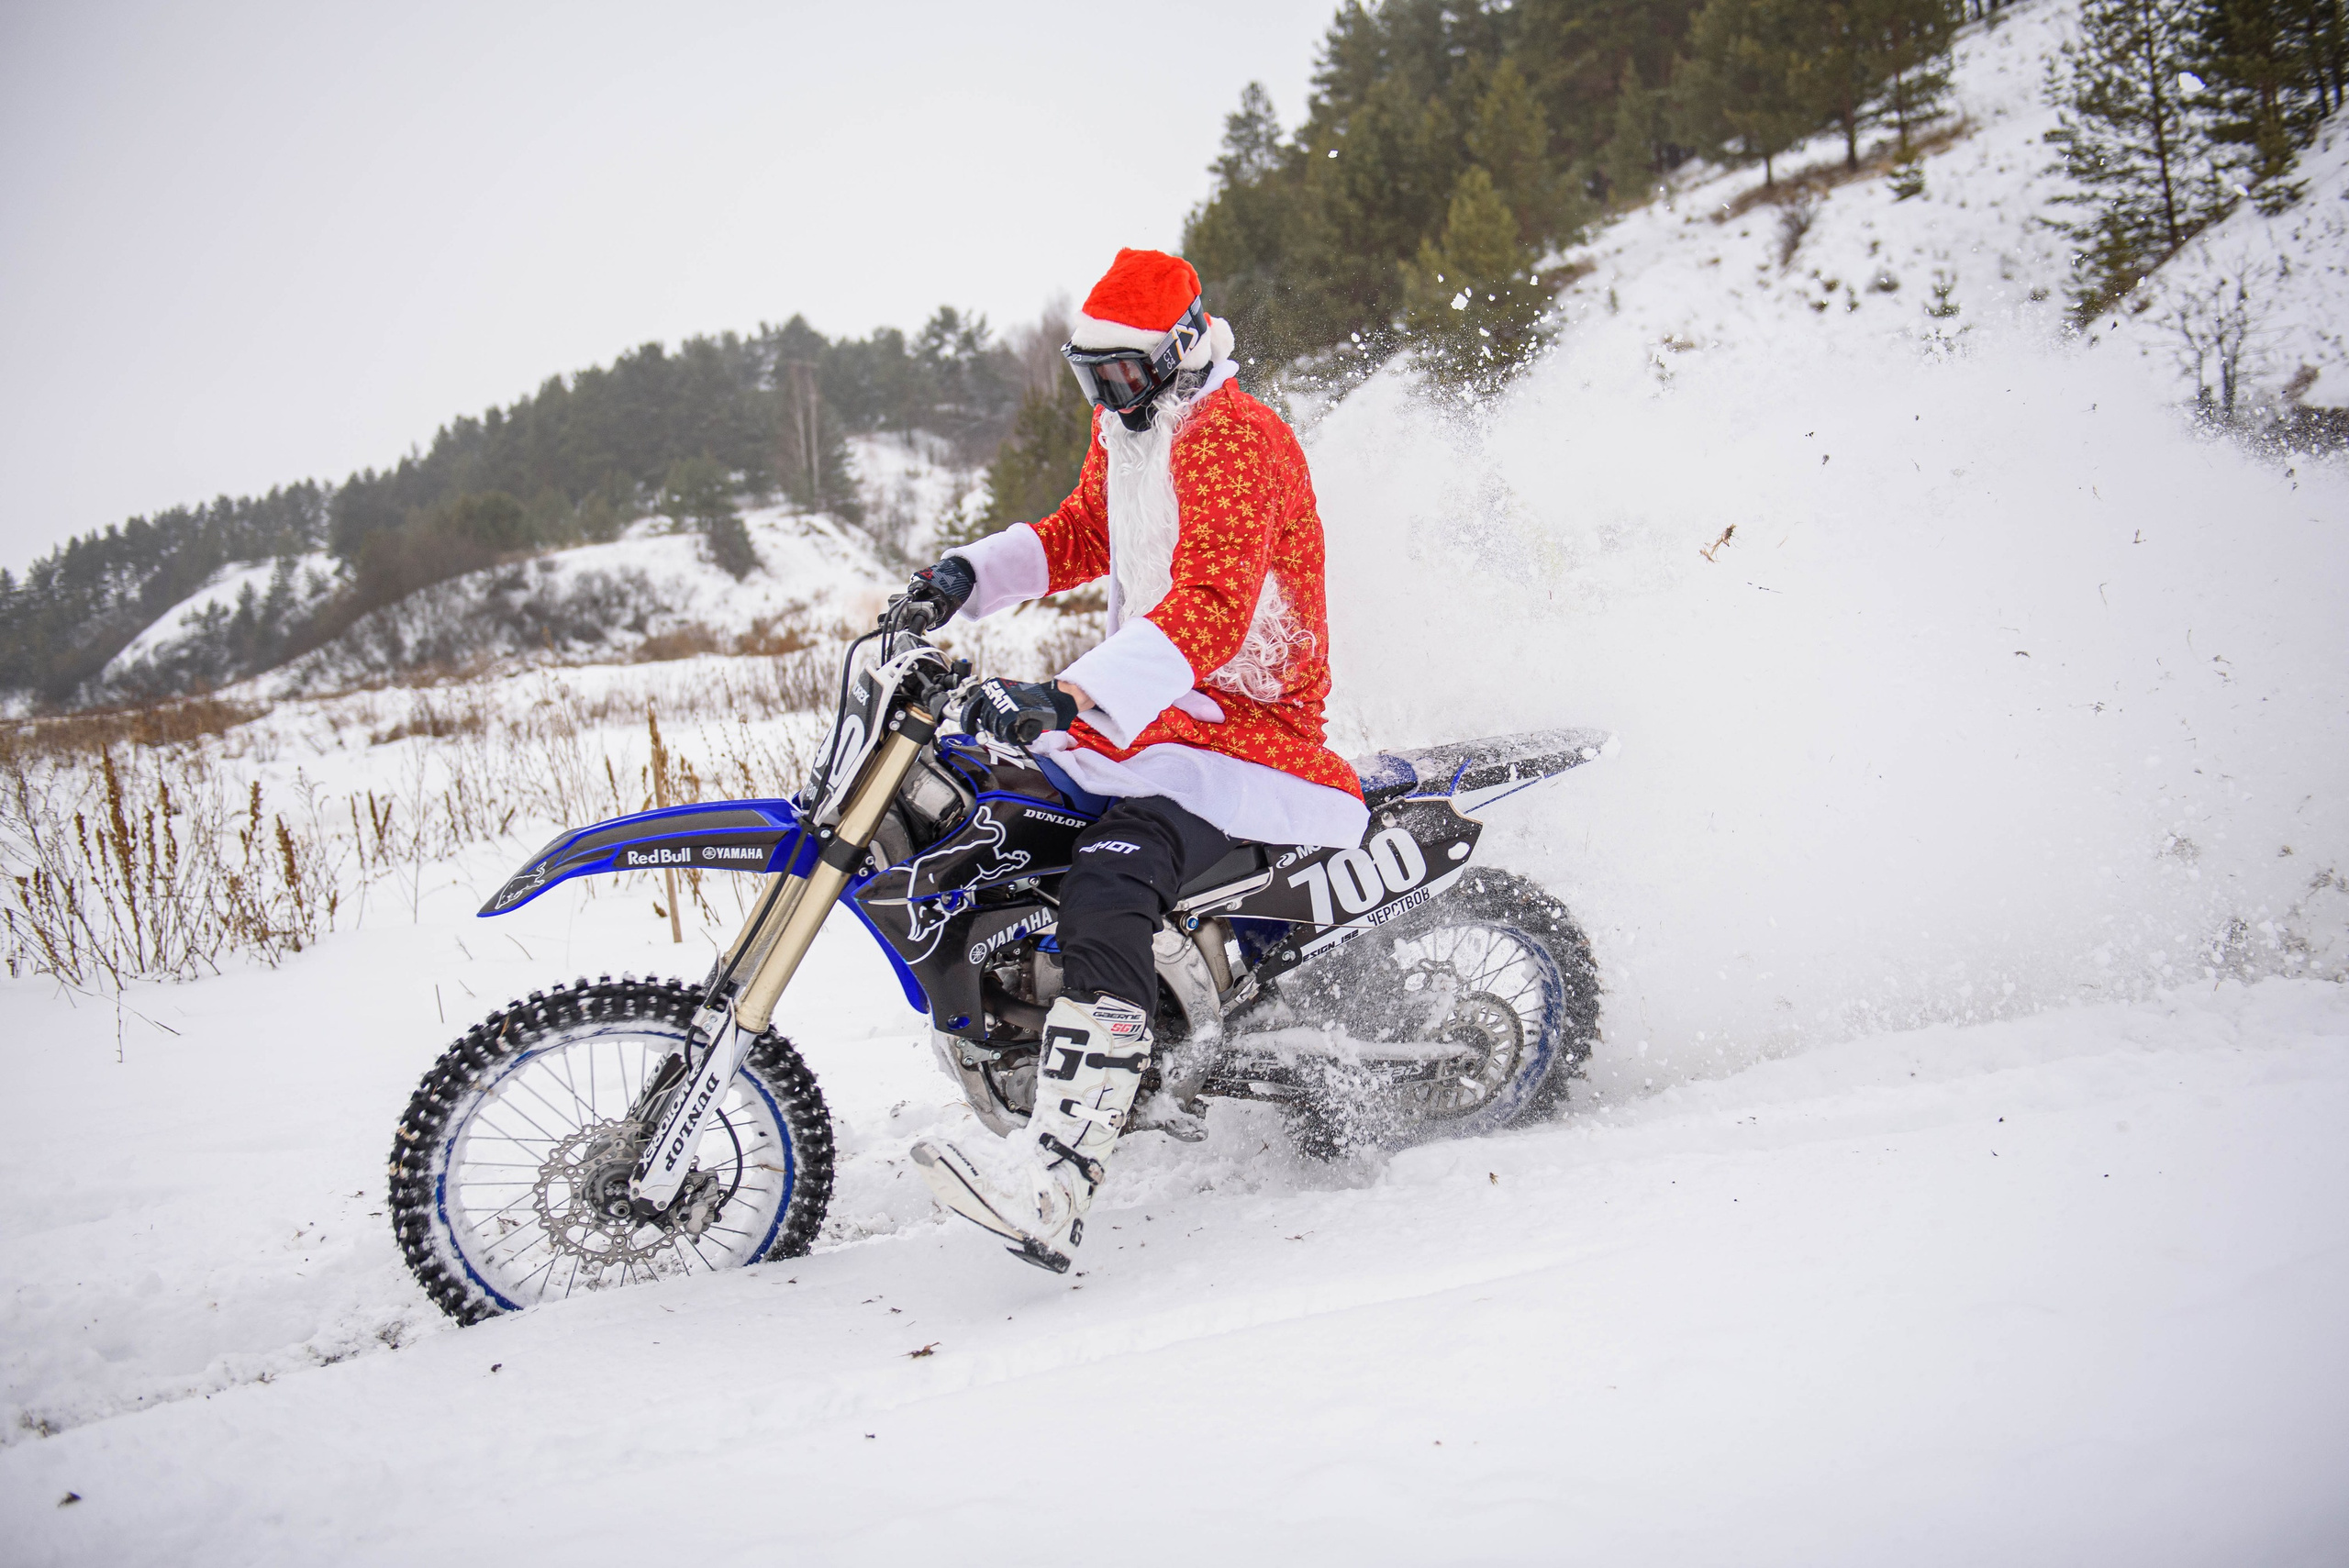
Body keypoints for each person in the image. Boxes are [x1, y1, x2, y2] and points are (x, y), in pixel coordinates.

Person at [900, 247, 1368, 1270]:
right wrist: (959, 578)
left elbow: (1206, 606)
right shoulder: (1135, 428)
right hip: (1162, 711)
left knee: (1112, 879)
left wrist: (1070, 691)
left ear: (1185, 347)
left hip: (1243, 723)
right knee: (1015, 816)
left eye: (1121, 375)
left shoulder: (1236, 437)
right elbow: (1079, 535)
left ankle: (1058, 1176)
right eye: (1089, 376)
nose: (1105, 397)